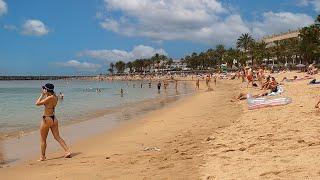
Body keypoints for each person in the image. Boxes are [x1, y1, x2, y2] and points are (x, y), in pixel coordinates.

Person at [35, 83, 71, 161]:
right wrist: (46, 94)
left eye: (44, 89)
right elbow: (49, 104)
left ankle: (43, 157)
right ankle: (67, 151)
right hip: (54, 119)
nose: (43, 90)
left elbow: (37, 103)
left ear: (47, 90)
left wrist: (41, 95)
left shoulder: (49, 98)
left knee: (43, 139)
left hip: (47, 119)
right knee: (57, 137)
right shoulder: (55, 97)